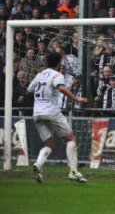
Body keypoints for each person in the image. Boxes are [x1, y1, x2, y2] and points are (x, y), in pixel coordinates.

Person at [27, 52, 88, 183]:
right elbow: (61, 88)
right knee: (71, 138)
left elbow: (30, 89)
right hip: (51, 111)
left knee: (49, 144)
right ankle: (73, 171)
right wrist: (76, 98)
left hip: (37, 113)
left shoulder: (39, 75)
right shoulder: (57, 75)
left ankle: (38, 165)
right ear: (58, 63)